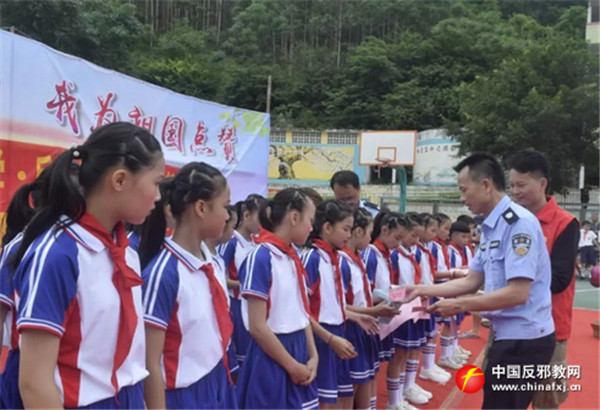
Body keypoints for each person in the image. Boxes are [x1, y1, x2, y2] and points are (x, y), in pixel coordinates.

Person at [12, 122, 164, 409]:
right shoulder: (58, 255)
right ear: (120, 180)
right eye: (156, 183)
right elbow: (34, 384)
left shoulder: (125, 251)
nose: (158, 196)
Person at [405, 152, 556, 410]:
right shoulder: (491, 226)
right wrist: (421, 289)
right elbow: (471, 281)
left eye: (464, 190)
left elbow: (518, 293)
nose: (462, 198)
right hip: (507, 337)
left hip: (524, 341)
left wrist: (459, 305)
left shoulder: (518, 224)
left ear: (486, 185)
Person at [139, 162, 237, 409]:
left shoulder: (213, 262)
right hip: (182, 397)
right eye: (225, 207)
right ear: (201, 208)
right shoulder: (164, 274)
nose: (228, 216)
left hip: (218, 381)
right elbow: (150, 362)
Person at [508, 149, 580, 409]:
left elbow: (559, 280)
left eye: (521, 185)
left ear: (542, 183)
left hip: (550, 327)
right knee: (504, 395)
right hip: (509, 324)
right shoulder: (510, 219)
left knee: (546, 400)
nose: (515, 192)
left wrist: (516, 280)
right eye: (512, 185)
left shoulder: (565, 223)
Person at [236, 188, 319, 409]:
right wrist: (292, 366)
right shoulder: (260, 257)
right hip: (272, 354)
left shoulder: (293, 257)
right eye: (310, 221)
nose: (312, 228)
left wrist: (313, 355)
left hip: (299, 349)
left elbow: (302, 313)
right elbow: (257, 326)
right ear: (294, 217)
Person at [340, 208, 397, 410]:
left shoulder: (356, 259)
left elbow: (364, 295)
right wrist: (375, 310)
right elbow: (338, 304)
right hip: (351, 328)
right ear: (358, 232)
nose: (371, 237)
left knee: (366, 378)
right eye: (369, 232)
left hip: (364, 324)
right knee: (349, 389)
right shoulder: (343, 261)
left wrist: (394, 296)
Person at [302, 200, 357, 409]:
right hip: (320, 336)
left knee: (337, 396)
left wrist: (360, 316)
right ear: (327, 227)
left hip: (337, 332)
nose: (349, 235)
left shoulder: (334, 258)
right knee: (323, 400)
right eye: (345, 229)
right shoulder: (312, 258)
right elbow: (302, 310)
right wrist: (330, 339)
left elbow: (334, 304)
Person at [388, 215, 431, 408]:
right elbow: (390, 286)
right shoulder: (395, 255)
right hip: (401, 310)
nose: (416, 240)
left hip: (415, 306)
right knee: (399, 354)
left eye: (418, 237)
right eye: (413, 235)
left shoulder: (414, 253)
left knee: (409, 350)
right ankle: (394, 400)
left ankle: (406, 389)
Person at [220, 195, 265, 365]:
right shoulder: (231, 242)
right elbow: (218, 276)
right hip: (236, 305)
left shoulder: (256, 243)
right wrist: (245, 285)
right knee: (240, 358)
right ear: (246, 216)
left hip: (251, 305)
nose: (263, 224)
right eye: (261, 218)